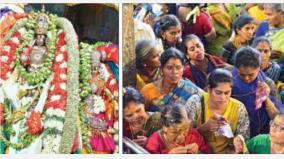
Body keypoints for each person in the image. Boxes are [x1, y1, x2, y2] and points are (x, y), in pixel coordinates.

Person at [186, 68, 250, 153]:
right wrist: (205, 127)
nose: (223, 98)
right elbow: (184, 135)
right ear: (209, 89)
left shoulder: (239, 108)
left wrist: (235, 140)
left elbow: (244, 137)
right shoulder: (196, 103)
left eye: (227, 93)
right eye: (218, 93)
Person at [231, 46, 283, 138]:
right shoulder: (230, 82)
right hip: (240, 129)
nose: (247, 78)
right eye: (242, 75)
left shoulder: (267, 83)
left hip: (264, 128)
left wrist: (265, 97)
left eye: (251, 75)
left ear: (259, 68)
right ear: (237, 68)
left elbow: (276, 116)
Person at [140, 47, 202, 112]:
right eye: (169, 68)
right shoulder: (148, 91)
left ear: (183, 69)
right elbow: (141, 114)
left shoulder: (190, 89)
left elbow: (205, 101)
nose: (174, 72)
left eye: (178, 67)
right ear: (161, 70)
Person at [145, 103, 212, 154]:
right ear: (164, 128)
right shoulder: (153, 144)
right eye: (175, 132)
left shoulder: (193, 135)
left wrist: (198, 153)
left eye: (185, 129)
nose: (181, 137)